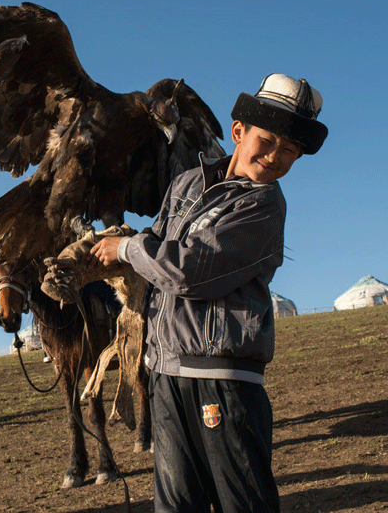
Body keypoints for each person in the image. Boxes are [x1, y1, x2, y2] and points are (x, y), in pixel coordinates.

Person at [90, 73, 328, 512]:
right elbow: (153, 251)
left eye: (290, 151)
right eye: (267, 140)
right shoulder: (185, 186)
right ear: (238, 131)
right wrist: (98, 258)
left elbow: (186, 272)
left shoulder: (262, 207)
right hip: (165, 374)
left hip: (224, 380)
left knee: (244, 505)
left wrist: (126, 247)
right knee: (177, 507)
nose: (275, 157)